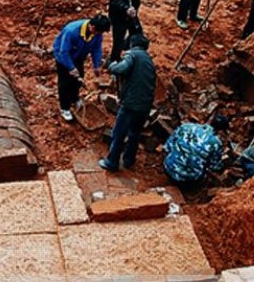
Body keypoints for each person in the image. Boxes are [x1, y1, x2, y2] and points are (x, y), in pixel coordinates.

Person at [99, 33, 156, 172]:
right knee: (134, 133)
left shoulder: (133, 54)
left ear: (132, 44)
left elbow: (121, 69)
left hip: (131, 103)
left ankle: (112, 162)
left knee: (119, 133)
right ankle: (129, 160)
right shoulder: (149, 60)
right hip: (145, 105)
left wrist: (112, 66)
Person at [52, 14, 110, 122]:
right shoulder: (71, 32)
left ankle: (74, 98)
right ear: (92, 27)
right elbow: (63, 52)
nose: (100, 35)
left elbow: (97, 49)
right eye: (99, 32)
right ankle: (65, 107)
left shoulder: (97, 34)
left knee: (79, 78)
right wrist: (70, 68)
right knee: (65, 83)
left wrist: (96, 65)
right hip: (63, 57)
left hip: (78, 56)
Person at [163, 115, 229, 188]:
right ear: (221, 130)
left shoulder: (186, 126)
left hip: (168, 168)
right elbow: (214, 167)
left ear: (210, 121)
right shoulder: (216, 144)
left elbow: (167, 146)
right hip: (188, 181)